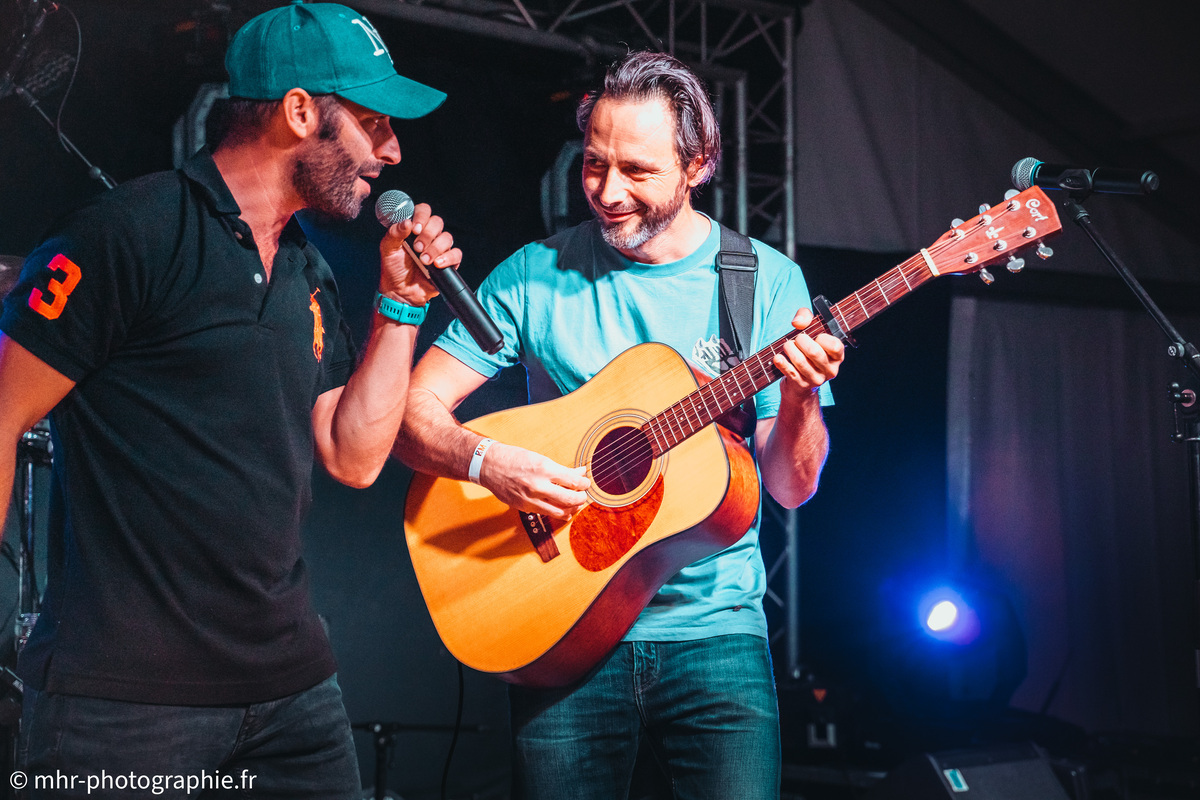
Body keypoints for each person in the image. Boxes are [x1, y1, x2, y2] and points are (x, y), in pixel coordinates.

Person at [0, 2, 460, 796]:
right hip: (126, 705)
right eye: (374, 121)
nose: (391, 150)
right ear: (298, 112)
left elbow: (353, 458)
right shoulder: (133, 231)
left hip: (292, 692)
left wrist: (404, 306)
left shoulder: (307, 272)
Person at [394, 50, 844, 798]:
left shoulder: (762, 281)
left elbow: (791, 490)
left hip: (717, 637)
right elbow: (410, 417)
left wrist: (797, 397)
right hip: (557, 624)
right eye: (593, 164)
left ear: (698, 164)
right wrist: (489, 462)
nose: (605, 192)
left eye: (636, 171)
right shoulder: (532, 275)